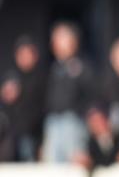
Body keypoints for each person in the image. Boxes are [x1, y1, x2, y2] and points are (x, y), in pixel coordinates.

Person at [43, 21, 93, 163]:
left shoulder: (82, 66)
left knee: (73, 165)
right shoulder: (53, 68)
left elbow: (91, 95)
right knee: (52, 165)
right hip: (53, 121)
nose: (57, 43)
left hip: (73, 121)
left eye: (62, 39)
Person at [9, 36, 47, 161]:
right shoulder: (12, 77)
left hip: (33, 134)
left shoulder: (42, 78)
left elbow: (43, 110)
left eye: (27, 54)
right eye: (21, 54)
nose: (24, 58)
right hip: (13, 136)